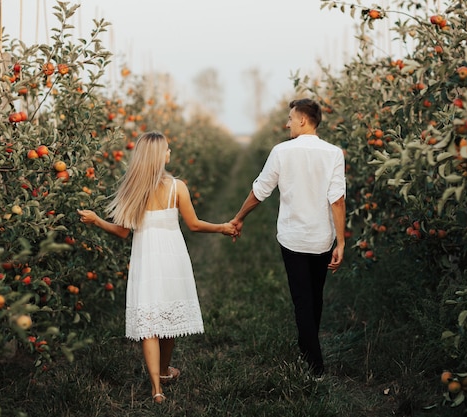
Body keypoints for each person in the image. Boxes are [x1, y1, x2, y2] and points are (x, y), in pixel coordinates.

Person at [78, 131, 236, 403]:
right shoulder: (177, 187)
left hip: (146, 257)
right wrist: (222, 227)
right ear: (160, 156)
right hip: (173, 256)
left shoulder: (134, 189)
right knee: (169, 317)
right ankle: (164, 371)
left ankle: (156, 388)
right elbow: (195, 225)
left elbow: (123, 232)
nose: (169, 153)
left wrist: (96, 221)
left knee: (150, 321)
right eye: (167, 149)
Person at [230, 98, 346, 378]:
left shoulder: (281, 152)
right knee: (314, 298)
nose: (287, 123)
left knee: (302, 300)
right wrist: (341, 241)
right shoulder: (333, 154)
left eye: (291, 118)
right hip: (322, 238)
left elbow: (261, 190)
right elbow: (338, 200)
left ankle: (314, 365)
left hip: (293, 238)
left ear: (304, 120)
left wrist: (239, 217)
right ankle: (309, 347)